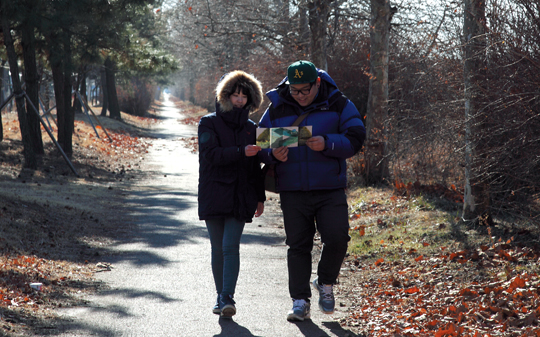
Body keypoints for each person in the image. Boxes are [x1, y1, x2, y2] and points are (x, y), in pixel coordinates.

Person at [258, 60, 366, 321]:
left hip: (330, 187)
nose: (300, 96)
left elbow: (356, 137)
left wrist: (328, 143)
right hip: (293, 189)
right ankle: (299, 301)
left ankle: (325, 283)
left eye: (305, 90)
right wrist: (273, 154)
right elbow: (259, 142)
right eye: (295, 91)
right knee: (298, 246)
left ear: (317, 83)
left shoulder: (338, 102)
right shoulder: (277, 104)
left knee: (338, 239)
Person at [198, 70, 266, 318]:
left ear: (250, 100)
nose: (239, 100)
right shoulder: (208, 122)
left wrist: (260, 197)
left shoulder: (252, 128)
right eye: (235, 95)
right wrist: (240, 151)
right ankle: (220, 296)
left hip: (241, 194)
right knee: (217, 248)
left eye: (243, 96)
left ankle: (227, 297)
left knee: (230, 246)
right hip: (214, 191)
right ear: (225, 95)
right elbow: (211, 155)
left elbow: (256, 164)